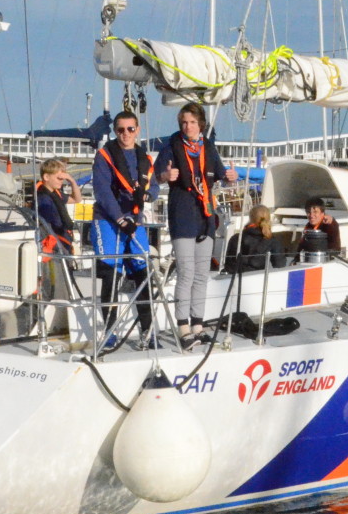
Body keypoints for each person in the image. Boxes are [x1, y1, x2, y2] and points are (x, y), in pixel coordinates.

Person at [155, 103, 237, 346]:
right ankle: (183, 328)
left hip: (205, 215)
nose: (187, 127)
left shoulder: (208, 147)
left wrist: (230, 178)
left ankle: (198, 325)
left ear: (200, 124)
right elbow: (158, 174)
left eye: (192, 122)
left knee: (202, 274)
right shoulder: (171, 146)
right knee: (186, 272)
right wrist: (165, 176)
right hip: (182, 214)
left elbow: (221, 175)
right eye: (184, 122)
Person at [92, 111, 157, 341]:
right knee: (111, 274)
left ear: (137, 130)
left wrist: (148, 195)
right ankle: (110, 332)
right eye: (120, 130)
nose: (125, 134)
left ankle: (147, 331)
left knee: (143, 272)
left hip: (135, 219)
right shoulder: (104, 156)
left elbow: (153, 185)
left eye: (130, 129)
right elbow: (102, 191)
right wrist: (120, 219)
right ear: (115, 131)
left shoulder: (144, 158)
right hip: (109, 221)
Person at [35, 159, 83, 335]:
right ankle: (50, 320)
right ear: (46, 177)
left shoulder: (56, 193)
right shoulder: (43, 199)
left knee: (65, 281)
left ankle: (64, 318)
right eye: (59, 178)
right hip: (53, 246)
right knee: (54, 283)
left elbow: (77, 199)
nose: (61, 181)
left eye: (63, 178)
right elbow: (52, 224)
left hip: (62, 244)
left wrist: (72, 181)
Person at [224, 205, 286, 273]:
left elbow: (228, 265)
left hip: (236, 277)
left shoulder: (236, 238)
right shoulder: (271, 240)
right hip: (258, 277)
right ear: (268, 218)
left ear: (250, 218)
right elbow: (280, 265)